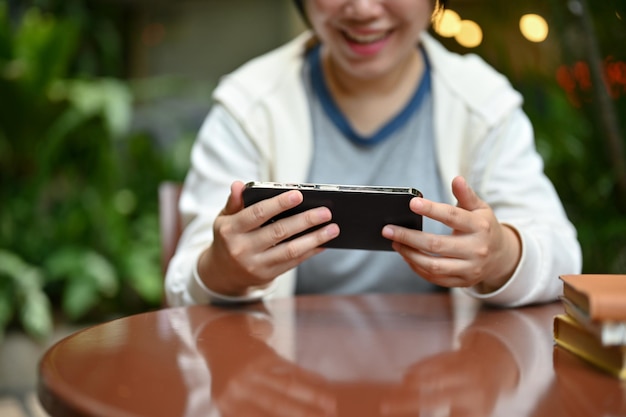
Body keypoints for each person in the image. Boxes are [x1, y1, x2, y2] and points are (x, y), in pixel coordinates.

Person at [165, 0, 582, 307]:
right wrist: (223, 268)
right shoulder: (248, 105)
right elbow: (184, 282)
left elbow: (562, 258)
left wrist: (502, 255)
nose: (363, 9)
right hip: (281, 386)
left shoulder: (484, 104)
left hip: (446, 390)